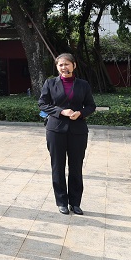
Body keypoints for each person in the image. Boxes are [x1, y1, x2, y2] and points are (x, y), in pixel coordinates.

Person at [38, 52, 96, 215]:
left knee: (76, 167)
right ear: (57, 67)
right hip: (55, 130)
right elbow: (42, 104)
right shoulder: (50, 83)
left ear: (74, 65)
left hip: (78, 131)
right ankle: (62, 202)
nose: (64, 67)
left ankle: (75, 203)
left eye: (67, 64)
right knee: (57, 166)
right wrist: (61, 111)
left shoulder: (83, 85)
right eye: (60, 65)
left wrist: (81, 113)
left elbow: (91, 106)